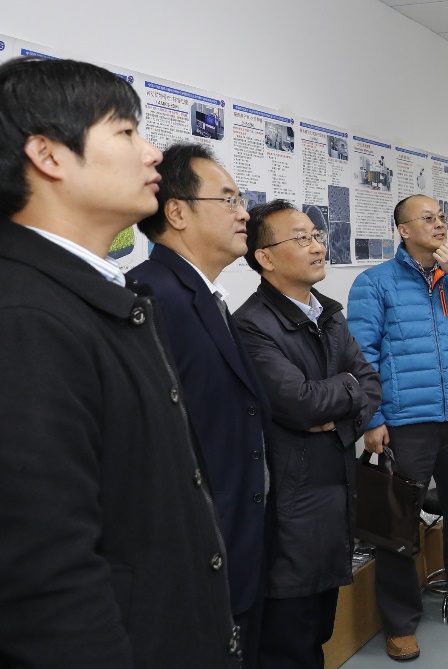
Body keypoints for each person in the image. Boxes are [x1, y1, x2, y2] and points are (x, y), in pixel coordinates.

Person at [0, 56, 239, 666]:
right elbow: (45, 575)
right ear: (48, 155)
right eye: (127, 132)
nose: (152, 153)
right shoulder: (26, 316)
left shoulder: (103, 294)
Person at [347, 193, 448, 663]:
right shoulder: (375, 282)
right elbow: (360, 357)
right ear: (403, 230)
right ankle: (400, 624)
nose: (440, 224)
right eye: (428, 218)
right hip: (405, 421)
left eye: (442, 217)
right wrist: (373, 419)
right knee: (399, 523)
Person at [130, 142, 272, 666]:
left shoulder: (204, 295)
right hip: (198, 556)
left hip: (237, 545)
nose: (243, 213)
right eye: (229, 199)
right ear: (177, 212)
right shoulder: (151, 297)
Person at [235, 200, 382, 668]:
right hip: (291, 513)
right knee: (289, 643)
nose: (318, 246)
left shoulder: (329, 314)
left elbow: (371, 383)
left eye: (316, 236)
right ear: (265, 257)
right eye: (301, 239)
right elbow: (300, 404)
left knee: (319, 634)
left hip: (334, 503)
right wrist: (345, 393)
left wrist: (338, 411)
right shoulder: (251, 325)